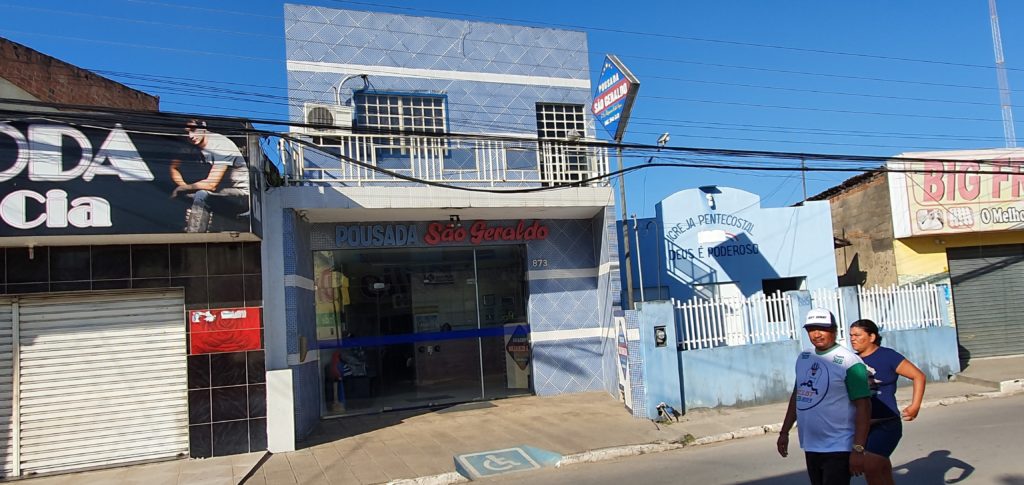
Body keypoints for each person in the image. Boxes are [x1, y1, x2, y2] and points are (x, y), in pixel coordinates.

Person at [778, 308, 872, 485]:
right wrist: (784, 432)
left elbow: (864, 406)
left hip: (839, 446)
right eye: (811, 329)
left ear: (834, 330)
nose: (816, 334)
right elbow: (798, 395)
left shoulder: (849, 361)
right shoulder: (804, 357)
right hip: (811, 445)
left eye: (822, 329)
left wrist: (858, 449)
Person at [849, 318, 927, 485]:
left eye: (857, 335)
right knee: (879, 469)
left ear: (871, 337)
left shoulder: (888, 356)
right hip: (862, 426)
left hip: (886, 423)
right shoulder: (850, 360)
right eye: (851, 335)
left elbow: (918, 376)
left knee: (871, 465)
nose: (852, 339)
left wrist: (915, 406)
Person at [169, 119, 250, 232]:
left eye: (193, 129)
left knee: (201, 194)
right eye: (186, 132)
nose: (190, 136)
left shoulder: (220, 144)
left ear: (203, 126)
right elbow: (173, 167)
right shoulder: (192, 144)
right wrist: (183, 186)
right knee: (183, 196)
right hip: (219, 191)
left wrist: (182, 188)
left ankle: (194, 236)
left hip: (242, 196)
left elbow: (211, 184)